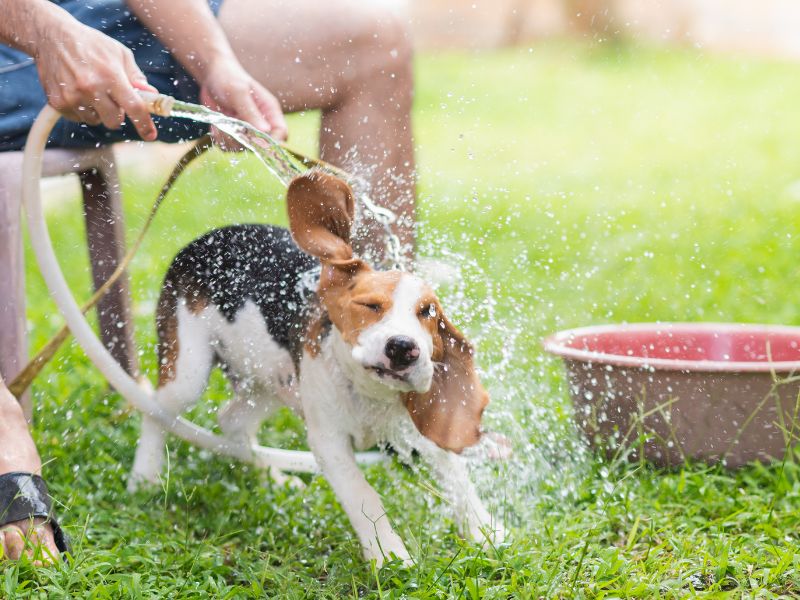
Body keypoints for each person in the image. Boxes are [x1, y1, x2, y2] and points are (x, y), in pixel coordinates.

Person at [0, 0, 414, 562]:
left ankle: (378, 367)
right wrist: (44, 27)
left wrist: (215, 61)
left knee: (376, 39)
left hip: (100, 14)